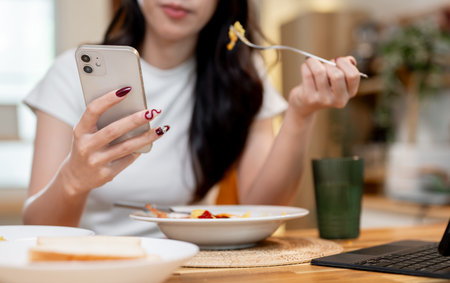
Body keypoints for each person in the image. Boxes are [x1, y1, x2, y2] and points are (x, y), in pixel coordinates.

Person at [22, 0, 361, 236]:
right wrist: (73, 179)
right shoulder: (69, 74)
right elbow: (37, 234)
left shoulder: (240, 78)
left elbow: (263, 207)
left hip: (190, 272)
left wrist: (300, 114)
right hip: (90, 272)